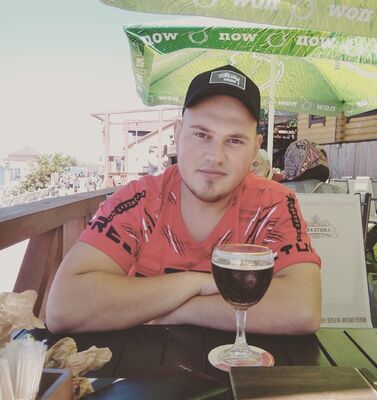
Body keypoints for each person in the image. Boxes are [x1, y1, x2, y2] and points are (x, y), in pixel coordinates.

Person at [46, 65, 321, 335]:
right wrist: (194, 283)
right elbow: (63, 308)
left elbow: (302, 308)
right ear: (177, 134)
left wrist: (170, 310)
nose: (215, 156)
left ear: (255, 148)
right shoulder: (137, 201)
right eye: (201, 134)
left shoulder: (273, 203)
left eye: (235, 140)